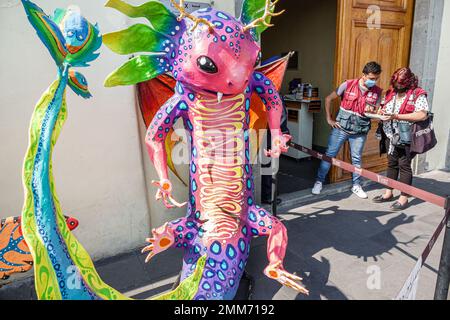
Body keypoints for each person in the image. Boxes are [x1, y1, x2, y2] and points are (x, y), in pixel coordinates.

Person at [312, 61, 383, 198]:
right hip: (341, 129)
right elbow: (328, 99)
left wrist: (376, 113)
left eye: (376, 79)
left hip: (359, 131)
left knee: (356, 159)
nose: (374, 81)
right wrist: (329, 119)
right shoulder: (348, 84)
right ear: (363, 75)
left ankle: (356, 185)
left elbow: (377, 110)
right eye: (371, 78)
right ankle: (319, 182)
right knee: (329, 155)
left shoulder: (377, 92)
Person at [373, 67, 429, 211]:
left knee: (404, 165)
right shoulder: (390, 92)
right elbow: (382, 108)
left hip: (406, 137)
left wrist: (396, 116)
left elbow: (422, 115)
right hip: (389, 135)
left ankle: (403, 198)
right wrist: (381, 111)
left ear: (409, 82)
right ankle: (388, 193)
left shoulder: (417, 94)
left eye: (401, 85)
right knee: (391, 163)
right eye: (396, 84)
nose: (398, 87)